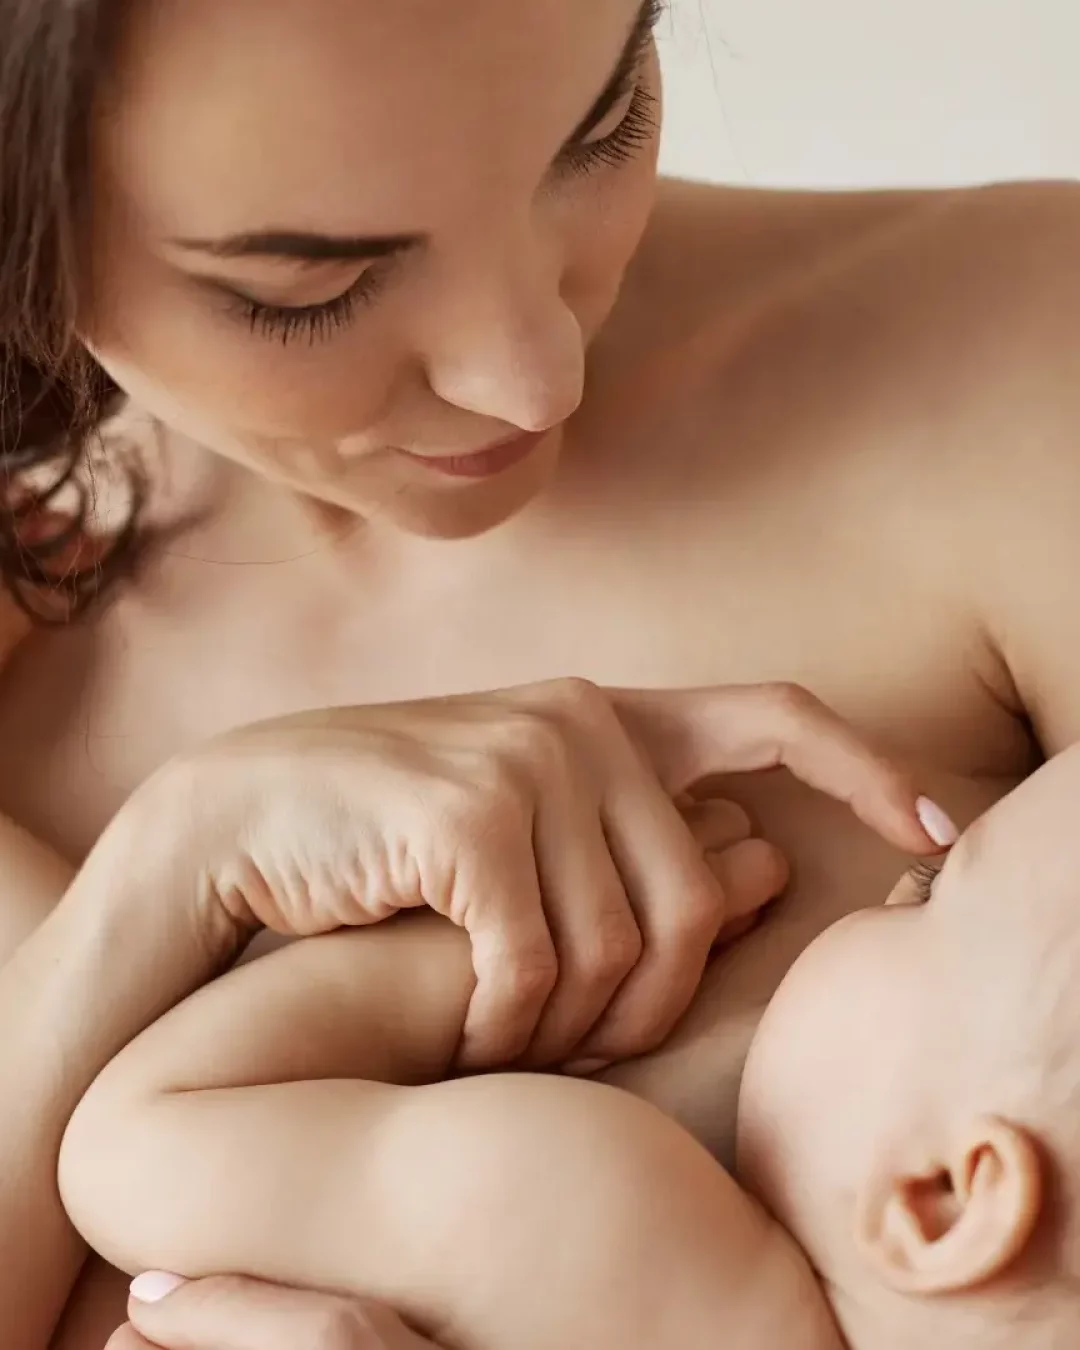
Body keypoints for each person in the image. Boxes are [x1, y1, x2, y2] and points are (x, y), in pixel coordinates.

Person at [2, 0, 1079, 1340]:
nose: (532, 377)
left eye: (602, 120)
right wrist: (175, 868)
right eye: (308, 289)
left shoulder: (1030, 363)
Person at [57, 744, 1080, 1350]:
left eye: (929, 892)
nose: (887, 884)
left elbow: (133, 1145)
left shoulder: (639, 1244)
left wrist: (490, 950)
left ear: (941, 1197)